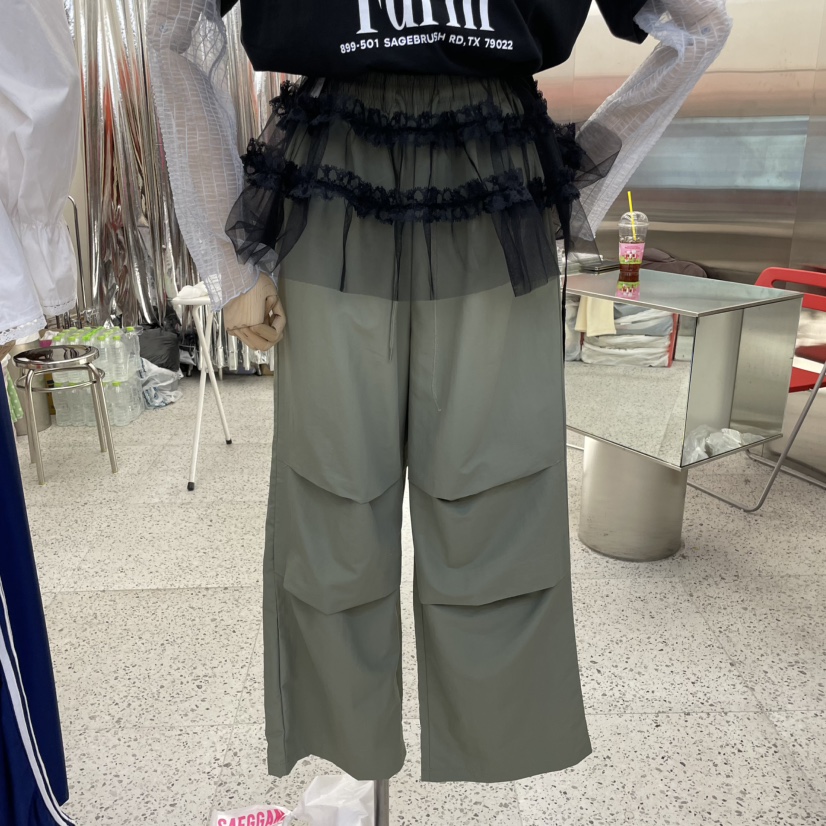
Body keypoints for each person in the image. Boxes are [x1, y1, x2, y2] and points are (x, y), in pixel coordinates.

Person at [149, 0, 732, 783]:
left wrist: (577, 184)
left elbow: (700, 24)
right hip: (352, 176)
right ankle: (346, 741)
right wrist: (229, 263)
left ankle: (490, 737)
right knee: (334, 487)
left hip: (477, 181)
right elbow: (173, 28)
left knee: (492, 490)